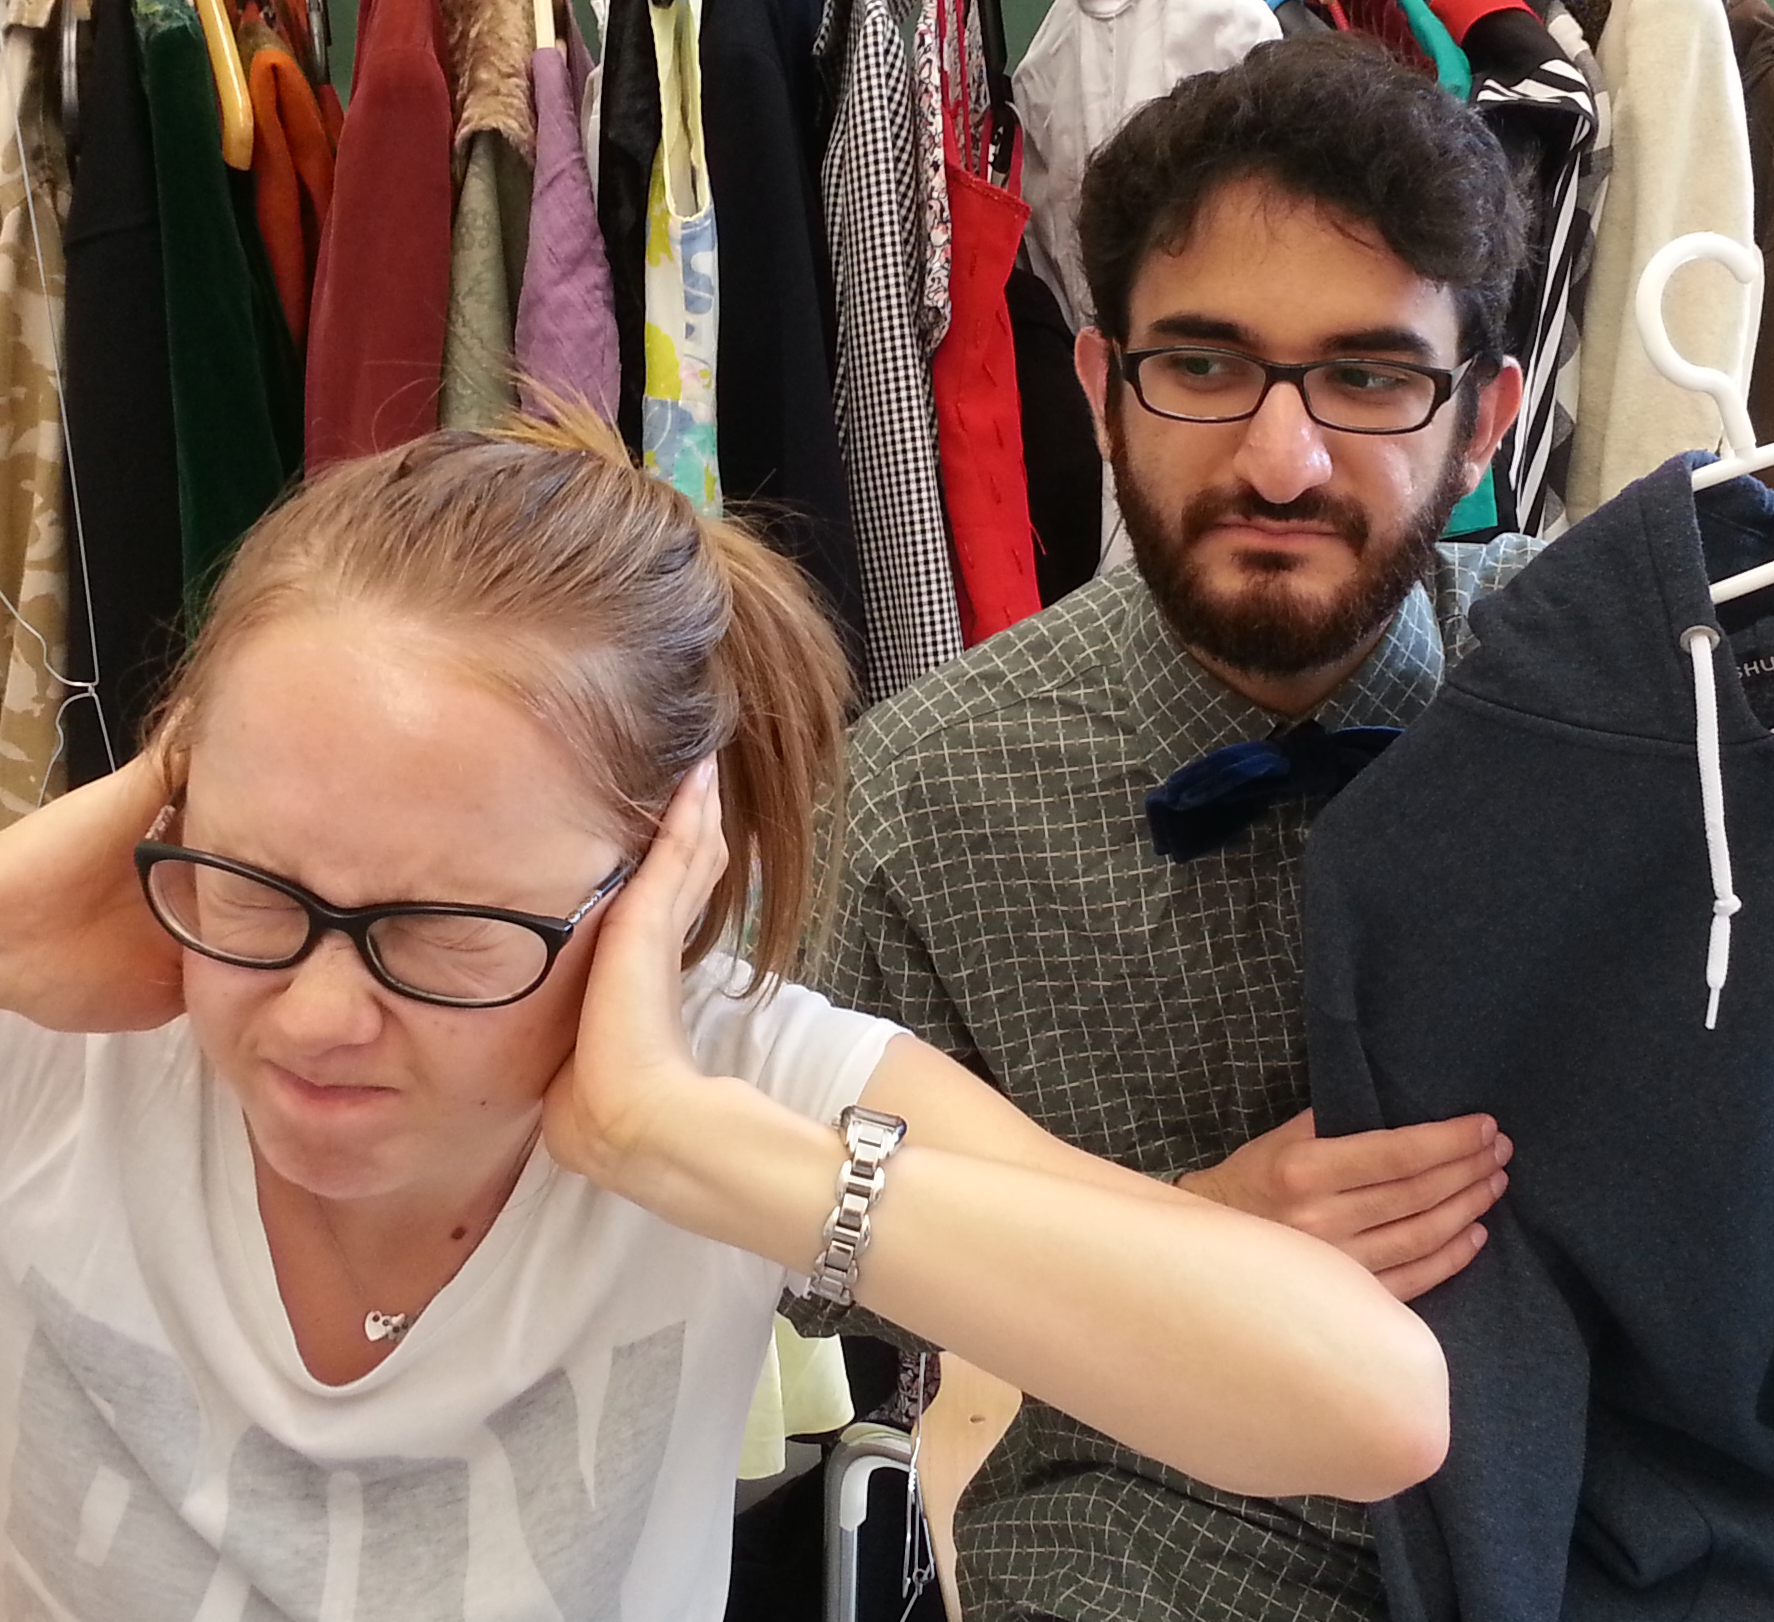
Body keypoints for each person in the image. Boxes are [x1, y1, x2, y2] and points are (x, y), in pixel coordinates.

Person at [0, 406, 1447, 1619]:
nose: (316, 1017)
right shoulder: (57, 1021)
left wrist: (676, 1140)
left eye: (443, 930)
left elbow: (1365, 1403)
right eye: (256, 883)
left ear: (652, 890)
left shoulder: (729, 1068)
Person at [804, 33, 1536, 1622]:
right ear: (1100, 388)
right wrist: (1166, 1236)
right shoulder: (921, 793)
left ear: (1482, 419)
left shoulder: (1619, 697)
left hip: (1601, 1516)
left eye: (1365, 375)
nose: (1280, 458)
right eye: (1201, 366)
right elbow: (796, 1245)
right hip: (1148, 1545)